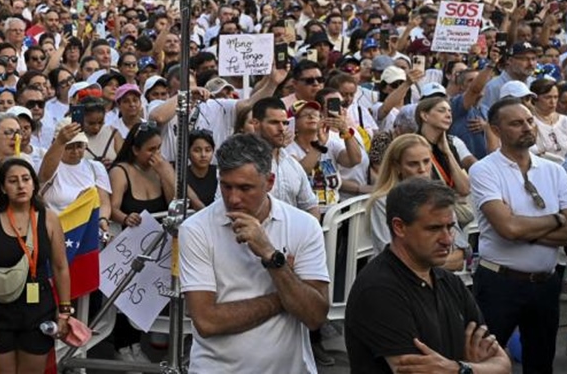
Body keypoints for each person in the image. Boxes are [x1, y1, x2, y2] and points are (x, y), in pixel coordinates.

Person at [180, 133, 330, 373]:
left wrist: (272, 257)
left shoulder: (304, 225)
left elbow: (314, 316)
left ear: (269, 182)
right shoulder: (196, 229)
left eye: (245, 188)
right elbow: (207, 322)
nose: (233, 198)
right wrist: (285, 295)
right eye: (226, 186)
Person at [345, 179, 511, 374]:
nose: (448, 239)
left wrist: (457, 369)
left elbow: (504, 365)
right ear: (399, 227)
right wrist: (474, 368)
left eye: (450, 227)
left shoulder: (450, 282)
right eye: (433, 228)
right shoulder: (378, 290)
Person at [470, 97, 567, 373]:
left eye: (530, 121)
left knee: (541, 363)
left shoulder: (553, 170)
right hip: (499, 283)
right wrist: (557, 219)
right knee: (485, 361)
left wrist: (524, 231)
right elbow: (507, 228)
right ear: (496, 130)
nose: (527, 127)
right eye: (517, 123)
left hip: (545, 283)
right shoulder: (484, 170)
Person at [0, 157, 71, 374]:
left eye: (26, 179)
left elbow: (61, 267)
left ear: (34, 184)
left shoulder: (49, 218)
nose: (21, 185)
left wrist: (64, 311)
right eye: (13, 181)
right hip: (1, 309)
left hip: (39, 309)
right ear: (3, 188)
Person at [367, 135, 468, 270]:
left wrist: (421, 261)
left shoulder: (440, 197)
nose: (422, 169)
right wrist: (439, 260)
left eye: (426, 161)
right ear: (397, 166)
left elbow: (460, 256)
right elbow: (394, 257)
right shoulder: (382, 202)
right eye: (413, 164)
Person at [185, 130, 218, 210]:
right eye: (197, 150)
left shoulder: (218, 173)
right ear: (188, 152)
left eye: (208, 150)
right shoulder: (182, 175)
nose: (203, 155)